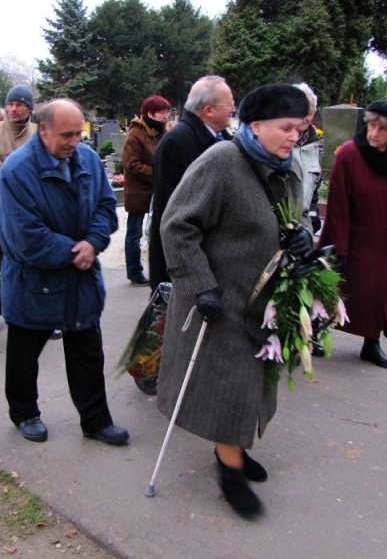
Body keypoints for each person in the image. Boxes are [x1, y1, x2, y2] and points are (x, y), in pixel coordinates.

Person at [158, 84, 313, 518]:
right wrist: (199, 283)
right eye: (286, 128)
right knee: (230, 386)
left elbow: (289, 221)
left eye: (298, 130)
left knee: (256, 384)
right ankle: (229, 471)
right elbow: (177, 225)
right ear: (256, 125)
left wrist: (301, 237)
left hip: (266, 301)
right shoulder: (222, 162)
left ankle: (235, 450)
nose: (293, 138)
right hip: (222, 301)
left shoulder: (285, 166)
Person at [0, 98, 128, 446]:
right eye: (67, 135)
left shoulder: (86, 159)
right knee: (25, 353)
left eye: (78, 133)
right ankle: (24, 412)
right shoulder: (16, 171)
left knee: (87, 352)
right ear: (44, 130)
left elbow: (105, 206)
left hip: (79, 278)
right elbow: (24, 236)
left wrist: (93, 242)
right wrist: (75, 252)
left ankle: (96, 421)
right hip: (33, 281)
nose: (75, 142)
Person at [318, 101, 387, 370]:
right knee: (333, 287)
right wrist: (341, 247)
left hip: (380, 241)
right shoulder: (349, 154)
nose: (374, 133)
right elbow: (338, 206)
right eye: (371, 125)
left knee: (376, 295)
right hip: (352, 239)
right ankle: (313, 334)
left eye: (381, 128)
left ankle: (372, 343)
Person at [149, 75, 235, 290]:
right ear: (208, 110)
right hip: (189, 267)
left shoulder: (222, 137)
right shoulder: (177, 143)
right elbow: (172, 215)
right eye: (230, 103)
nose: (233, 109)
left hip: (216, 258)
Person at [0, 85, 37, 334]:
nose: (13, 109)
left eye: (19, 104)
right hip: (0, 213)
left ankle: (36, 314)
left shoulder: (38, 133)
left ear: (29, 108)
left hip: (34, 215)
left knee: (35, 266)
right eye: (10, 104)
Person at [121, 95, 171, 286]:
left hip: (156, 191)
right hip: (138, 193)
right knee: (134, 234)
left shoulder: (159, 132)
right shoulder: (136, 133)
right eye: (162, 111)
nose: (166, 115)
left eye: (167, 111)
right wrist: (157, 173)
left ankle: (158, 271)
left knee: (156, 233)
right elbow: (131, 164)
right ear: (150, 113)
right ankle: (134, 272)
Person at [292, 82, 325, 357]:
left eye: (311, 113)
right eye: (304, 112)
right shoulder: (283, 138)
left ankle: (307, 335)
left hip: (304, 225)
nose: (307, 119)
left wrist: (314, 212)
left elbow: (315, 182)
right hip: (283, 223)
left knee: (306, 279)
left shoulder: (314, 143)